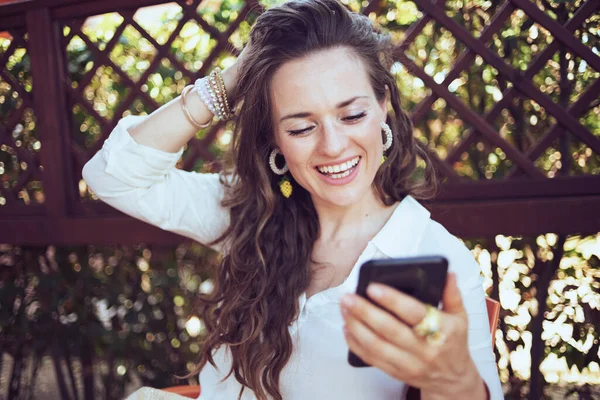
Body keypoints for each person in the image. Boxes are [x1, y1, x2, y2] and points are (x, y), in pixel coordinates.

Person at [82, 0, 503, 399]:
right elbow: (114, 177)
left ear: (383, 107)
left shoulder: (433, 254)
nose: (334, 146)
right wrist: (234, 79)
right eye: (301, 128)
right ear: (276, 141)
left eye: (352, 115)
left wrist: (455, 377)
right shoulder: (250, 212)